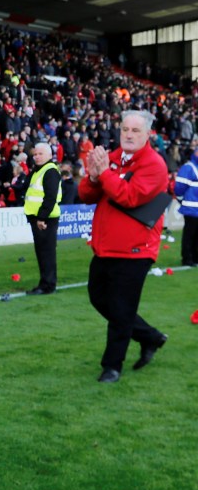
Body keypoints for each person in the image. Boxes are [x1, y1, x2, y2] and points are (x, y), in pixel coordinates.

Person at [79, 110, 169, 383]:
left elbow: (128, 197)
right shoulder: (114, 158)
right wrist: (94, 177)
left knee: (120, 309)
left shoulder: (154, 164)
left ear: (147, 134)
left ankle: (112, 366)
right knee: (99, 297)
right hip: (105, 247)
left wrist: (104, 172)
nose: (129, 134)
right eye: (125, 129)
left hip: (135, 250)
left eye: (135, 130)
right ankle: (150, 336)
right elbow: (86, 195)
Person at [23, 142, 62, 295]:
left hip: (45, 219)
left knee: (46, 252)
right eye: (35, 154)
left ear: (49, 155)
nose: (37, 157)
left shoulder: (50, 171)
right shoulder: (39, 170)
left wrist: (42, 218)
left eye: (40, 154)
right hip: (38, 217)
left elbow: (50, 197)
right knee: (43, 252)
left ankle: (47, 285)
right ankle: (46, 283)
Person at [174, 144, 198, 267]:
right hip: (191, 209)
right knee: (190, 235)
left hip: (195, 208)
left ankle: (195, 257)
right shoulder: (189, 167)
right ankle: (187, 258)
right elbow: (179, 188)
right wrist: (182, 201)